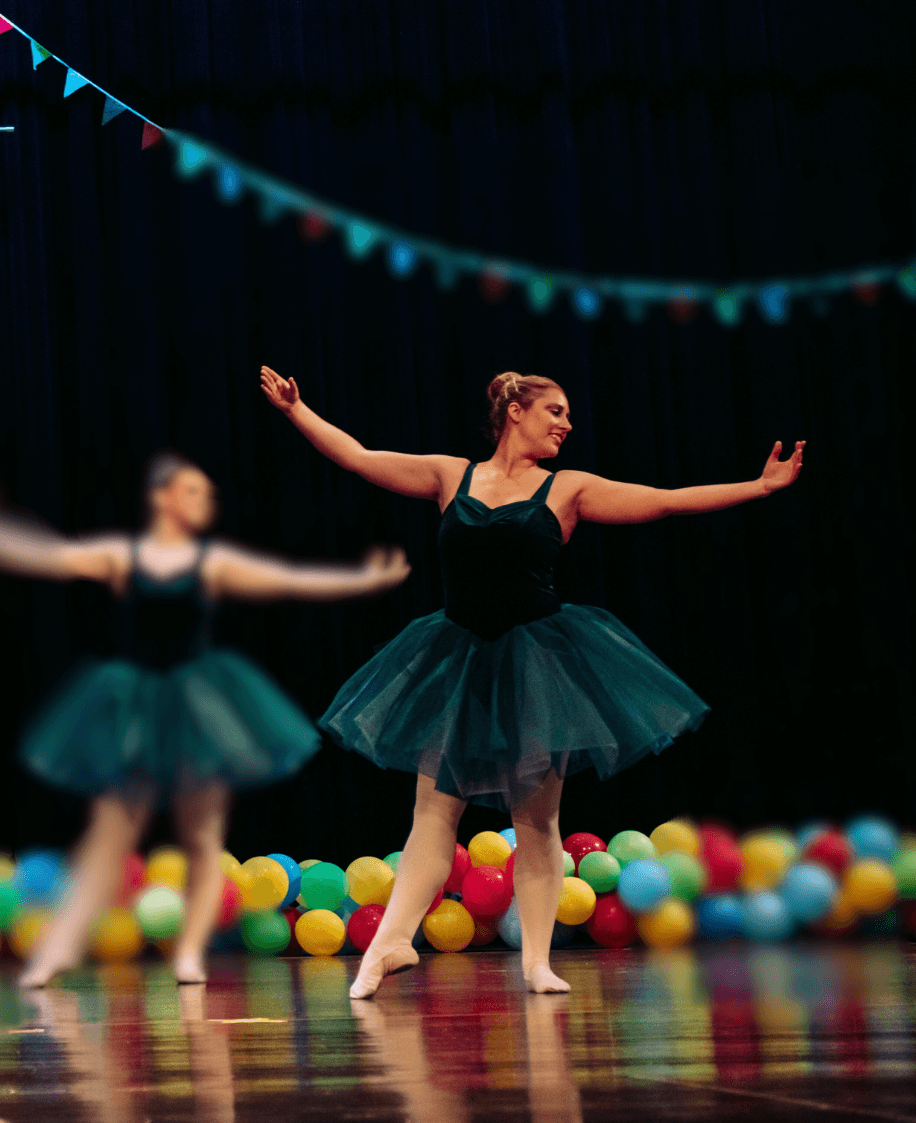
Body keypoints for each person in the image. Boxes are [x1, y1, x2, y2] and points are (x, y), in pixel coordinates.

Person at [260, 365, 804, 996]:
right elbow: (359, 457)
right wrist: (296, 411)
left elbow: (664, 499)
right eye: (556, 411)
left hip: (538, 670)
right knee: (431, 817)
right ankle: (388, 946)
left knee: (538, 823)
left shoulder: (568, 488)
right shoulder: (450, 475)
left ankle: (536, 963)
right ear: (515, 411)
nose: (566, 425)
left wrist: (758, 488)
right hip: (458, 665)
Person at [0, 452, 410, 987]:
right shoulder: (123, 555)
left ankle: (190, 952)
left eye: (207, 493)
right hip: (136, 705)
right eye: (192, 491)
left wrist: (364, 580)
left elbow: (289, 580)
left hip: (199, 705)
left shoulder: (210, 562)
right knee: (108, 836)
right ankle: (58, 948)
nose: (204, 501)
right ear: (162, 497)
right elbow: (52, 556)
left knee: (202, 837)